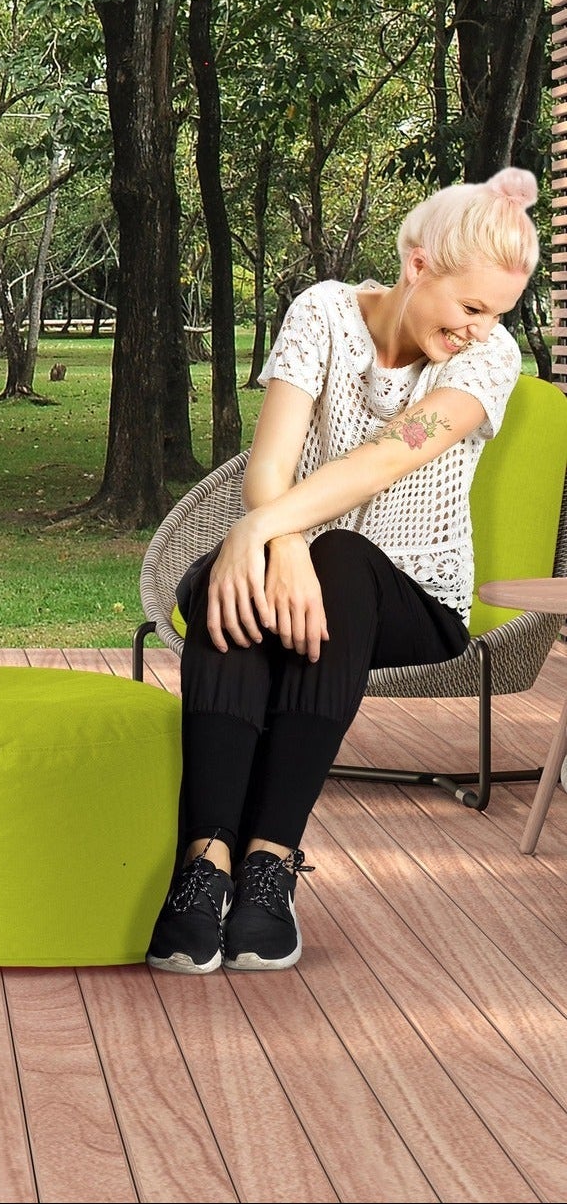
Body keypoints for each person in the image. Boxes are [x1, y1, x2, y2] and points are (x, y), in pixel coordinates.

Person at [146, 167, 540, 974]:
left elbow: (383, 460)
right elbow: (272, 461)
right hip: (291, 563)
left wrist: (266, 531)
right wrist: (276, 540)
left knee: (339, 557)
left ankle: (268, 864)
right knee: (258, 581)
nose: (478, 330)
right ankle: (206, 866)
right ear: (417, 264)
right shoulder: (322, 312)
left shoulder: (488, 360)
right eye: (470, 307)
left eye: (495, 315)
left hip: (410, 596)